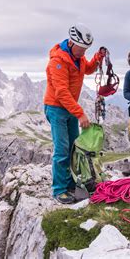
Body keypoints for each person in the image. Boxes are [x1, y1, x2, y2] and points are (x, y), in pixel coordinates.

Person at [44, 23, 105, 204]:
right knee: (62, 149)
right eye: (81, 48)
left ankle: (70, 183)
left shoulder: (77, 58)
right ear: (71, 42)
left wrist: (97, 58)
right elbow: (61, 92)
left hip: (69, 108)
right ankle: (59, 190)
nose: (83, 52)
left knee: (73, 148)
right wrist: (80, 114)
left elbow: (87, 68)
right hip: (56, 108)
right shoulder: (58, 61)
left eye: (87, 49)